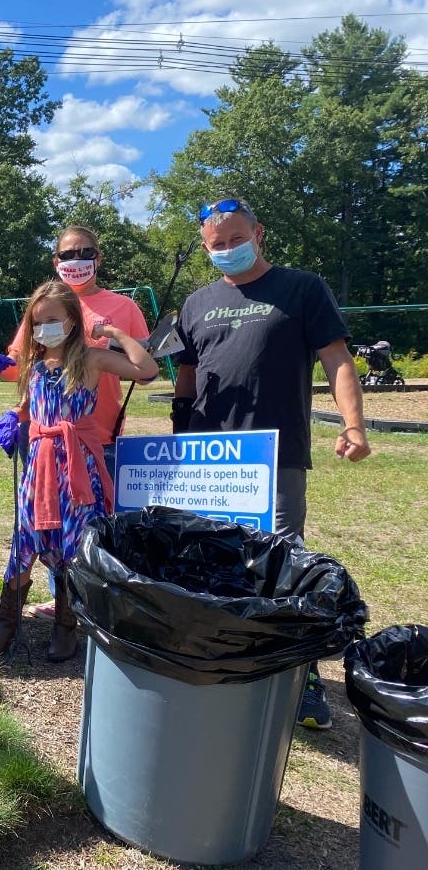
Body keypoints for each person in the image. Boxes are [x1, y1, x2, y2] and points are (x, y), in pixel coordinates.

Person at [173, 196, 371, 729]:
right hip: (209, 459)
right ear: (205, 247)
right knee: (210, 562)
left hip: (275, 457)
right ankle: (223, 661)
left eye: (237, 239)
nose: (227, 249)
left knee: (281, 566)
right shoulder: (196, 303)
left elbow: (337, 359)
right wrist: (179, 437)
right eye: (217, 244)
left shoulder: (301, 288)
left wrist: (353, 424)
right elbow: (186, 376)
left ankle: (300, 677)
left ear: (259, 233)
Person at [0, 226, 150, 639]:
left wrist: (115, 334)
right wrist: (15, 418)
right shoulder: (34, 364)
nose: (45, 329)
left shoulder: (91, 359)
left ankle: (66, 623)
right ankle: (8, 620)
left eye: (53, 321)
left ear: (72, 321)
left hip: (77, 464)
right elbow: (29, 401)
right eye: (38, 323)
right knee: (26, 536)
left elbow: (146, 370)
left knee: (73, 541)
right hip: (39, 465)